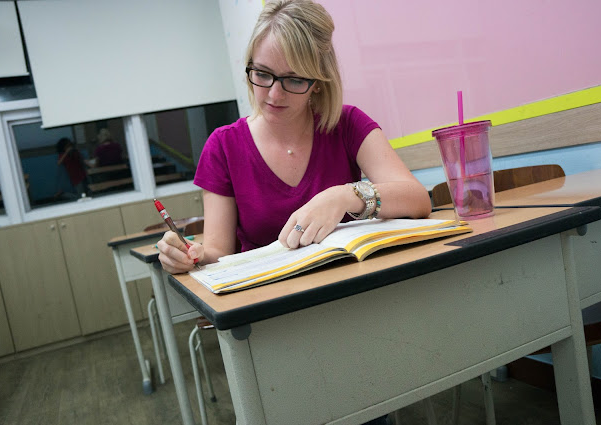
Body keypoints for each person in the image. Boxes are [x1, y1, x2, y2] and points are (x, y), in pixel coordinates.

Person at [158, 0, 431, 275]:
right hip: (267, 296)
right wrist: (189, 256)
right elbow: (218, 253)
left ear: (318, 83)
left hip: (352, 284)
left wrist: (344, 196)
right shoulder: (223, 146)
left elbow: (417, 199)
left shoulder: (347, 124)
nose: (274, 94)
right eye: (262, 74)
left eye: (295, 80)